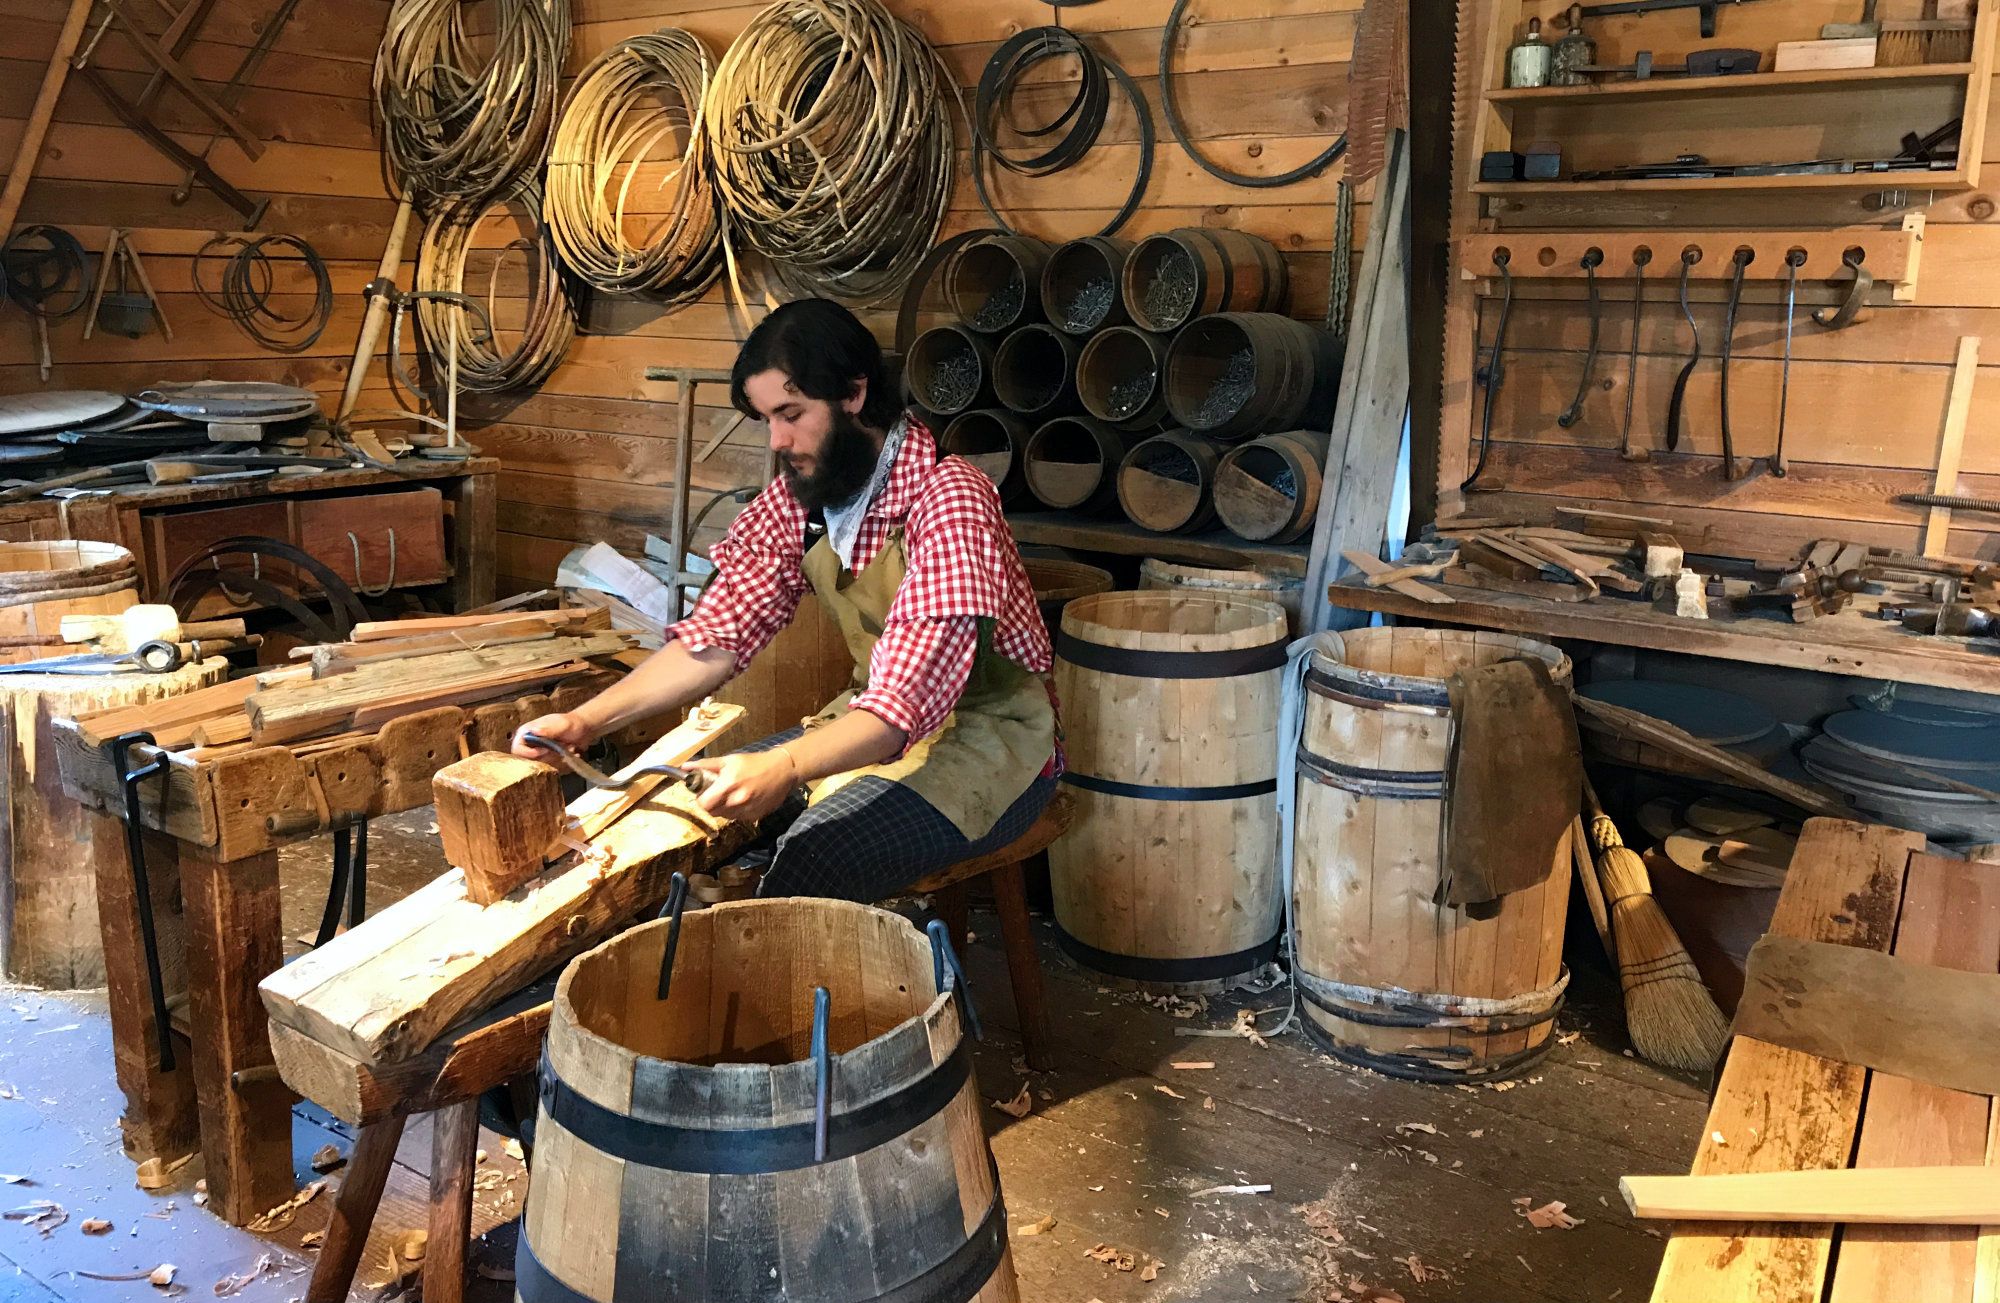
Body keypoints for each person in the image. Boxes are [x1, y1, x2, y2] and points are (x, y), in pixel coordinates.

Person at [513, 297, 1059, 901]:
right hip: (870, 718)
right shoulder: (805, 505)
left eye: (791, 414)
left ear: (852, 394)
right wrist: (586, 721)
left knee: (818, 856)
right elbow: (715, 640)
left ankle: (807, 982)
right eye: (767, 418)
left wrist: (787, 766)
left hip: (991, 740)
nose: (777, 439)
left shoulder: (949, 500)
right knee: (699, 809)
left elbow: (900, 707)